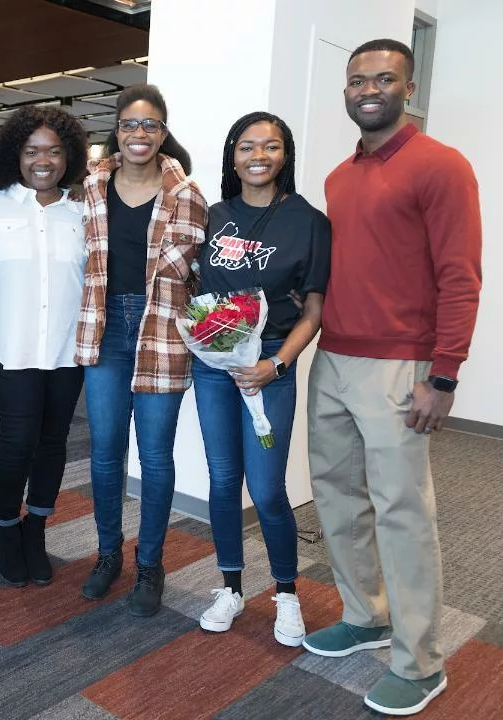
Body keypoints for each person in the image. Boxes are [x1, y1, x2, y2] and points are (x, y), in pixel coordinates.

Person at [302, 39, 482, 716]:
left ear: (408, 90)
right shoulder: (339, 177)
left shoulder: (441, 167)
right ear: (345, 91)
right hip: (335, 358)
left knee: (402, 513)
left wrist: (444, 375)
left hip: (401, 366)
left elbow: (460, 277)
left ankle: (420, 660)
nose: (367, 89)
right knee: (340, 500)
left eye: (383, 79)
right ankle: (365, 615)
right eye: (356, 80)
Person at [193, 112, 330, 645]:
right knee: (223, 481)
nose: (258, 155)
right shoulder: (212, 216)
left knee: (268, 489)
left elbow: (313, 310)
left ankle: (287, 594)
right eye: (247, 146)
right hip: (215, 367)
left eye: (270, 146)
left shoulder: (308, 220)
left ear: (284, 155)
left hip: (271, 365)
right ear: (232, 156)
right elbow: (191, 283)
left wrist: (275, 364)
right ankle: (230, 587)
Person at [75, 83, 208, 617]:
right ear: (117, 129)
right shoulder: (89, 188)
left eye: (150, 125)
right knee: (105, 453)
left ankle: (149, 563)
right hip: (105, 330)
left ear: (163, 132)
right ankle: (108, 554)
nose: (139, 134)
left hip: (163, 333)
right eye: (129, 124)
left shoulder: (188, 195)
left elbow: (202, 274)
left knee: (155, 457)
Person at [0, 106, 88, 587]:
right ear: (15, 154)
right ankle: (5, 531)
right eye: (32, 150)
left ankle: (36, 530)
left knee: (53, 444)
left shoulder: (86, 211)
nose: (44, 160)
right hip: (16, 351)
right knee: (16, 444)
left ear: (69, 157)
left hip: (68, 352)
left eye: (54, 151)